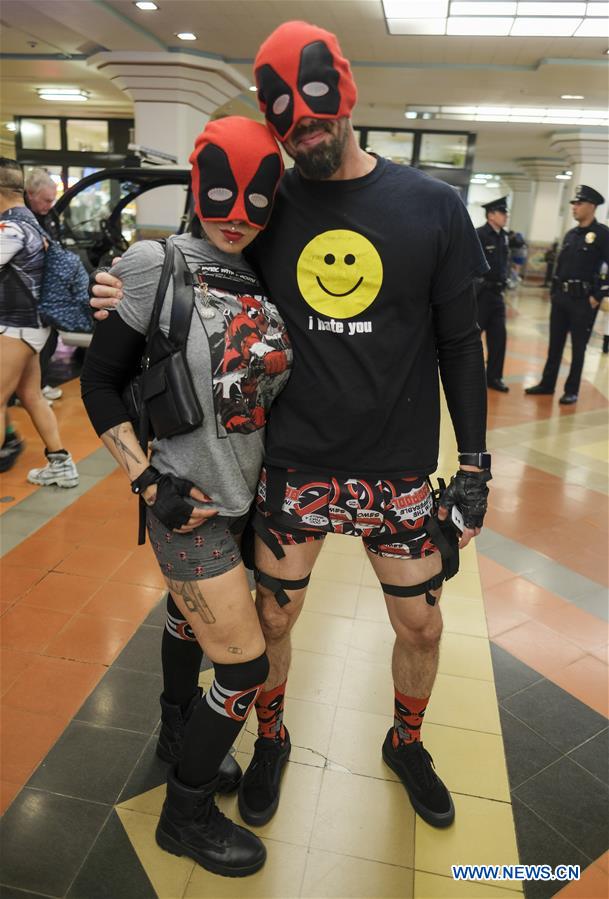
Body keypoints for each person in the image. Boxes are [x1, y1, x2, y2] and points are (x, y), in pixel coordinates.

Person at [90, 20, 492, 832]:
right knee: (273, 619)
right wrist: (117, 290)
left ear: (343, 93)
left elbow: (460, 342)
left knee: (421, 619)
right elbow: (205, 257)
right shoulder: (272, 203)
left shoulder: (434, 206)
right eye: (285, 114)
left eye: (314, 106)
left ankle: (405, 740)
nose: (302, 125)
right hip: (294, 460)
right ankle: (269, 736)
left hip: (397, 465)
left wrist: (476, 464)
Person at [81, 117, 292, 878]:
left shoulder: (269, 270)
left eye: (256, 200)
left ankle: (177, 734)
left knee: (183, 617)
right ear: (199, 189)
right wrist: (146, 479)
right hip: (187, 502)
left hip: (250, 500)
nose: (237, 215)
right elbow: (98, 382)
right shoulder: (151, 262)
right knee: (241, 668)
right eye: (223, 196)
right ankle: (186, 812)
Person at [0, 157, 79, 488]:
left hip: (15, 328)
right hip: (32, 327)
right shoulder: (32, 223)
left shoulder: (11, 228)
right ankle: (61, 464)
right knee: (31, 395)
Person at [525, 184, 609, 405]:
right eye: (573, 204)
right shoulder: (571, 234)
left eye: (579, 204)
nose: (574, 207)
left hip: (583, 300)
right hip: (561, 298)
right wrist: (553, 292)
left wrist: (598, 295)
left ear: (592, 206)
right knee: (555, 345)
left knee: (579, 348)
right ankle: (547, 384)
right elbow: (561, 266)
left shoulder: (602, 235)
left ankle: (571, 390)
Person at [25, 168, 62, 402]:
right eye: (46, 200)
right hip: (27, 293)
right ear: (30, 194)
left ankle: (39, 385)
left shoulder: (47, 217)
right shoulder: (21, 220)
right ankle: (28, 392)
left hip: (46, 290)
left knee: (50, 337)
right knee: (31, 344)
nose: (50, 204)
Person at [475, 197, 511, 392]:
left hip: (498, 295)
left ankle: (494, 377)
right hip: (482, 294)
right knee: (472, 339)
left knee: (499, 337)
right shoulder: (479, 235)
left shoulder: (503, 237)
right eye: (502, 212)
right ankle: (468, 376)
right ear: (491, 215)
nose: (506, 216)